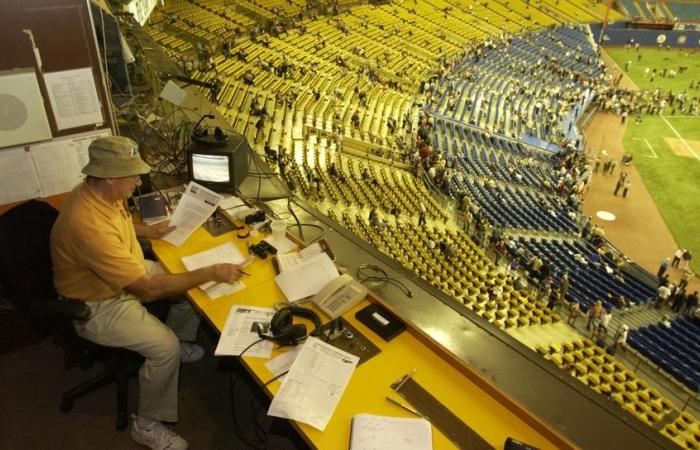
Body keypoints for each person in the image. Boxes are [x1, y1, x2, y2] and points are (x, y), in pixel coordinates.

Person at [50, 136, 244, 450]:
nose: (139, 181)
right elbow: (147, 288)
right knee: (164, 345)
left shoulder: (97, 193)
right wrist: (209, 273)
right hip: (98, 303)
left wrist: (148, 231)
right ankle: (147, 424)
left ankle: (181, 339)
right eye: (133, 175)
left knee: (182, 281)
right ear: (110, 178)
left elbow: (120, 225)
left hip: (123, 273)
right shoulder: (87, 225)